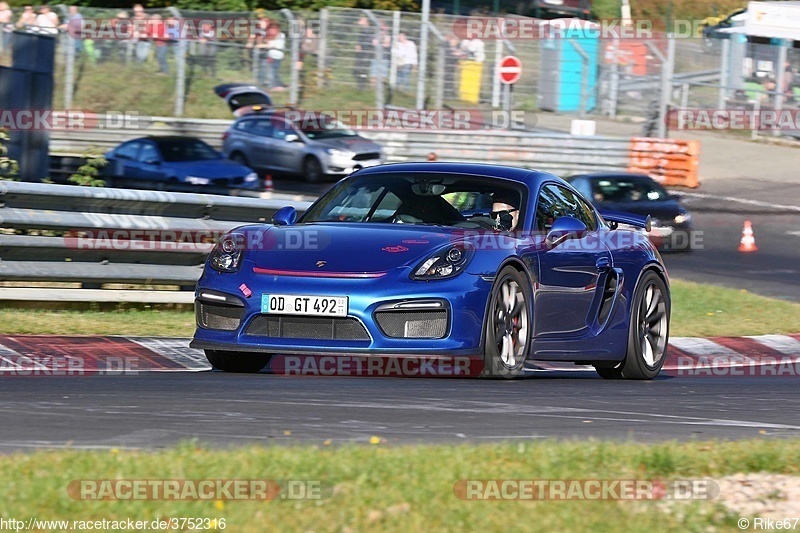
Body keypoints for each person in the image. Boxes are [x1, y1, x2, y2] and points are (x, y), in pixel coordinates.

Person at [264, 22, 285, 90]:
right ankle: (276, 84)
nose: (272, 30)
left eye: (273, 28)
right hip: (270, 55)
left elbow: (277, 45)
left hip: (277, 56)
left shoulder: (281, 35)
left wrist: (267, 45)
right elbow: (268, 44)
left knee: (273, 71)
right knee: (271, 71)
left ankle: (274, 85)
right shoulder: (270, 36)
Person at [353, 16, 372, 91]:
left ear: (366, 21)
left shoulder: (369, 30)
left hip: (366, 52)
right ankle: (361, 84)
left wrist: (361, 45)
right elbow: (360, 39)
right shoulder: (362, 30)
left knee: (363, 70)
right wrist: (358, 45)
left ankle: (362, 86)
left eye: (361, 20)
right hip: (361, 52)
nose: (359, 21)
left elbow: (369, 41)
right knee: (356, 70)